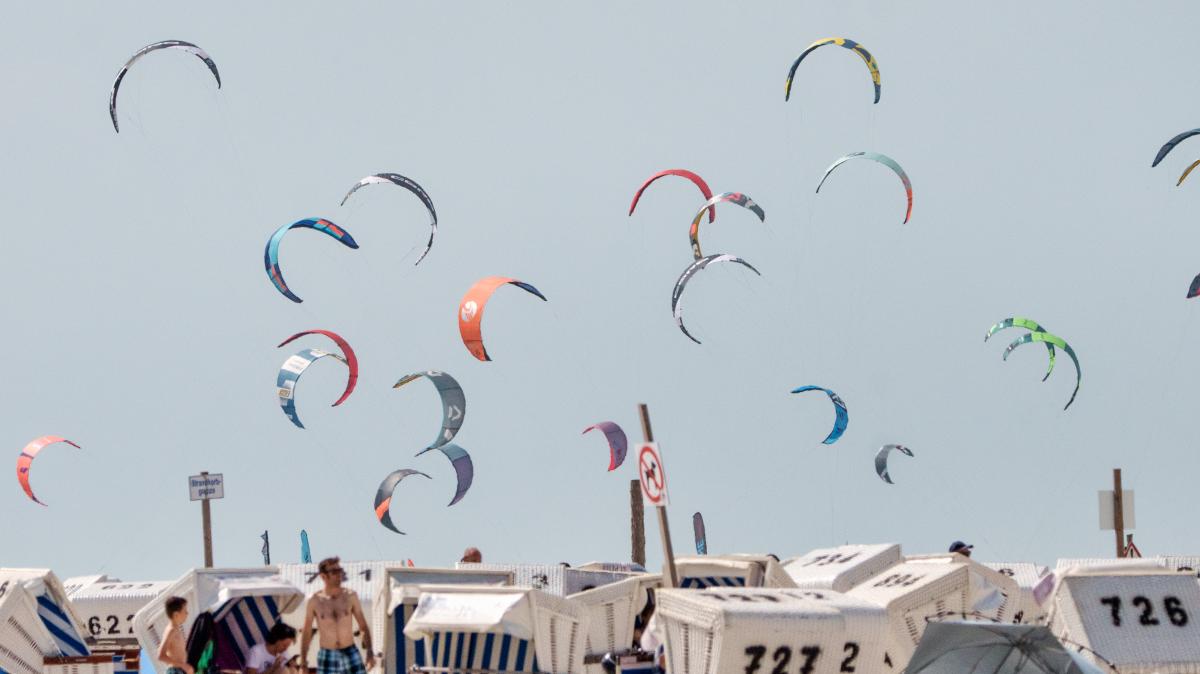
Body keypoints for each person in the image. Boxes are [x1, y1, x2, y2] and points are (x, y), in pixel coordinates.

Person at [300, 557, 374, 674]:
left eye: (340, 571)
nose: (339, 575)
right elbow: (307, 632)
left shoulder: (350, 597)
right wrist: (303, 662)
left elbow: (363, 626)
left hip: (349, 651)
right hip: (327, 653)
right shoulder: (315, 601)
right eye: (334, 572)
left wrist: (370, 652)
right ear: (323, 576)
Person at [156, 596, 193, 674]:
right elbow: (160, 655)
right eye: (185, 611)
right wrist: (183, 665)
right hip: (175, 671)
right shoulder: (171, 630)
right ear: (176, 614)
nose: (187, 613)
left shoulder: (177, 629)